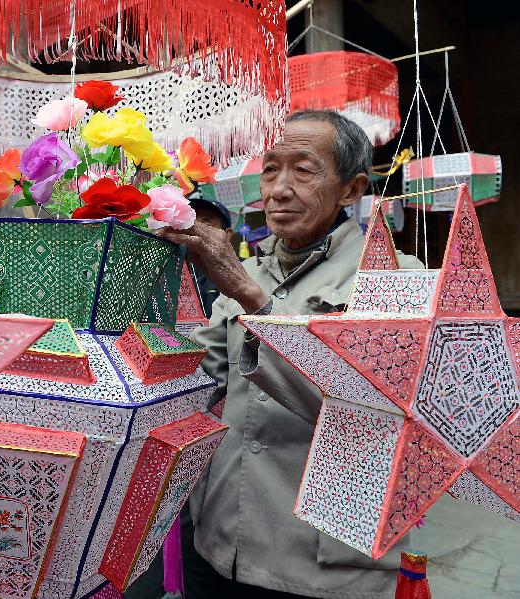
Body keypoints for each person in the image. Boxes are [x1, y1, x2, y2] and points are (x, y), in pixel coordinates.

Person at [160, 110, 421, 599]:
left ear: (351, 189)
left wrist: (247, 295)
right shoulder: (251, 272)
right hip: (220, 539)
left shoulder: (393, 277)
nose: (278, 189)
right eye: (271, 168)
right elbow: (197, 378)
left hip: (319, 566)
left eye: (303, 170)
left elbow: (367, 410)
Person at [187, 191, 233, 318]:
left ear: (227, 235)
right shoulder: (174, 268)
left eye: (206, 224)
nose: (195, 229)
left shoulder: (243, 271)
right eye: (191, 223)